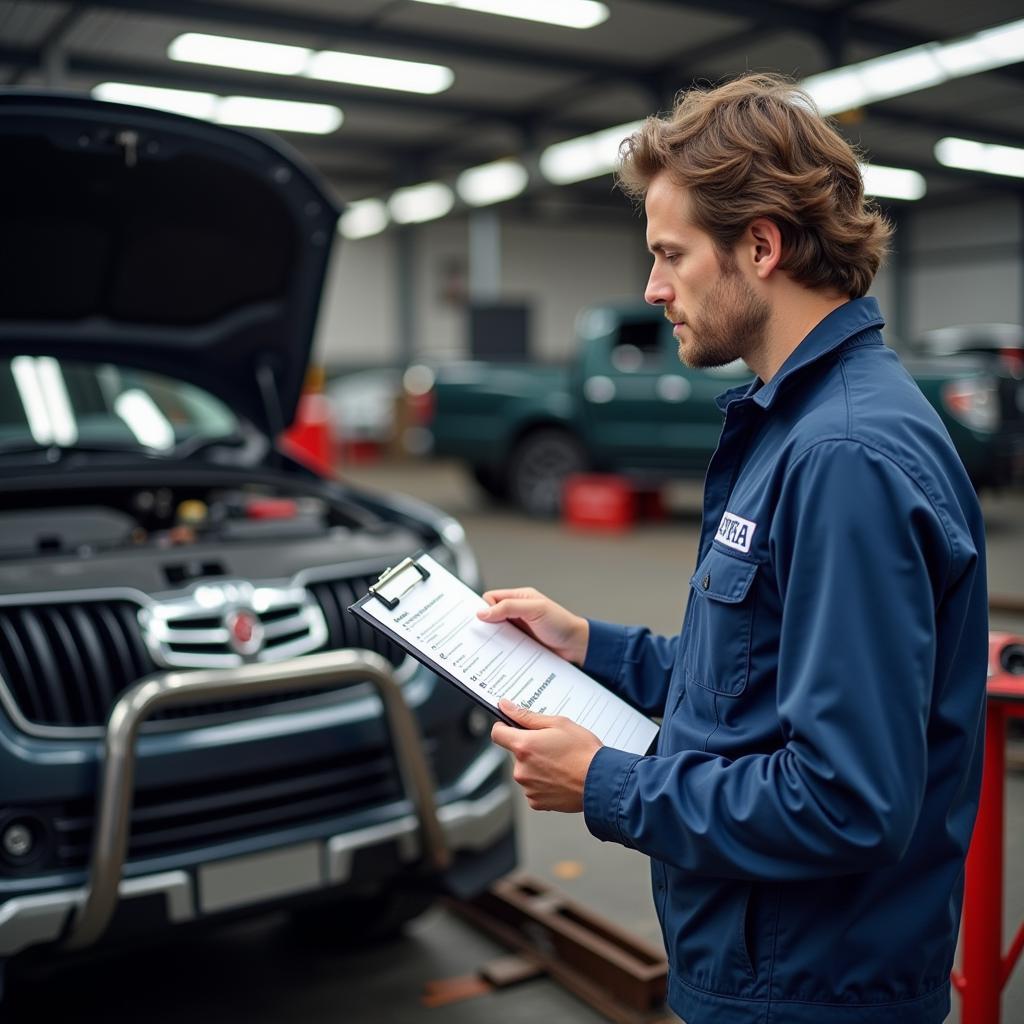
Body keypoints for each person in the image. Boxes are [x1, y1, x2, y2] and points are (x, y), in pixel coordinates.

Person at [483, 74, 988, 1024]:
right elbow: (759, 679)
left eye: (672, 254)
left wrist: (606, 784)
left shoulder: (843, 456)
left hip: (807, 990)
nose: (653, 287)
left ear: (760, 245)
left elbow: (844, 800)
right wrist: (592, 644)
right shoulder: (797, 427)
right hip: (775, 969)